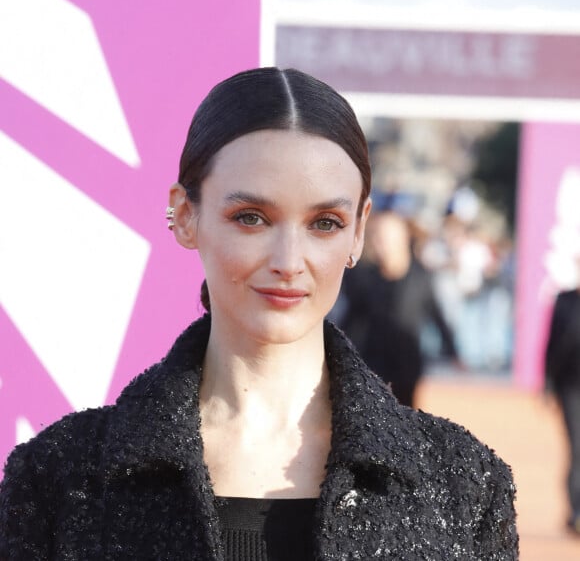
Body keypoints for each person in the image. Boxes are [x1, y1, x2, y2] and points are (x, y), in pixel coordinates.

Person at [0, 67, 518, 559]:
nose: (289, 262)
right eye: (251, 218)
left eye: (325, 223)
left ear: (359, 230)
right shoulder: (58, 480)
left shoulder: (463, 485)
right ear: (184, 216)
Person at [338, 206, 463, 408]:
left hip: (407, 363)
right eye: (377, 236)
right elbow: (351, 318)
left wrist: (453, 351)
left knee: (405, 416)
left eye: (387, 236)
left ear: (403, 237)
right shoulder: (361, 276)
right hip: (371, 361)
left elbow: (436, 314)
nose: (381, 243)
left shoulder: (421, 276)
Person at [545, 272, 580, 536]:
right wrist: (547, 384)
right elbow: (551, 343)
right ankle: (576, 511)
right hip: (570, 387)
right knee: (577, 447)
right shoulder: (564, 300)